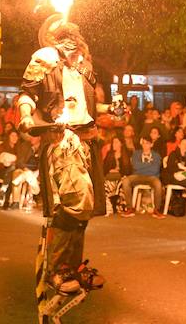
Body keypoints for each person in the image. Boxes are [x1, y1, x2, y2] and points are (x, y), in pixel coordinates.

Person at [16, 15, 114, 295]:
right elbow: (28, 93)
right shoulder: (45, 57)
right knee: (76, 201)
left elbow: (85, 107)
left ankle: (72, 267)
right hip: (62, 140)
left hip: (85, 142)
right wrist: (25, 116)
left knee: (83, 209)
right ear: (52, 36)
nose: (71, 30)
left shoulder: (82, 64)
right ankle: (57, 271)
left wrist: (111, 110)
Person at [120, 136, 165, 218]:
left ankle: (157, 210)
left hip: (152, 177)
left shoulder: (156, 155)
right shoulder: (136, 153)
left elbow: (155, 169)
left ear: (151, 144)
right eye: (143, 143)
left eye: (147, 143)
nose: (145, 145)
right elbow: (135, 166)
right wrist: (149, 165)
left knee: (158, 183)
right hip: (137, 175)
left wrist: (143, 166)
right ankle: (130, 208)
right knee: (126, 181)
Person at [102, 136, 132, 214]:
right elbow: (104, 168)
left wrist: (118, 171)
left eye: (116, 142)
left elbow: (128, 170)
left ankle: (120, 206)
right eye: (113, 142)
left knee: (122, 183)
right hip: (110, 176)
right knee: (106, 183)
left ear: (121, 144)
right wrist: (110, 169)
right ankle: (109, 206)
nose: (114, 144)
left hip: (121, 176)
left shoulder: (126, 154)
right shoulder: (110, 154)